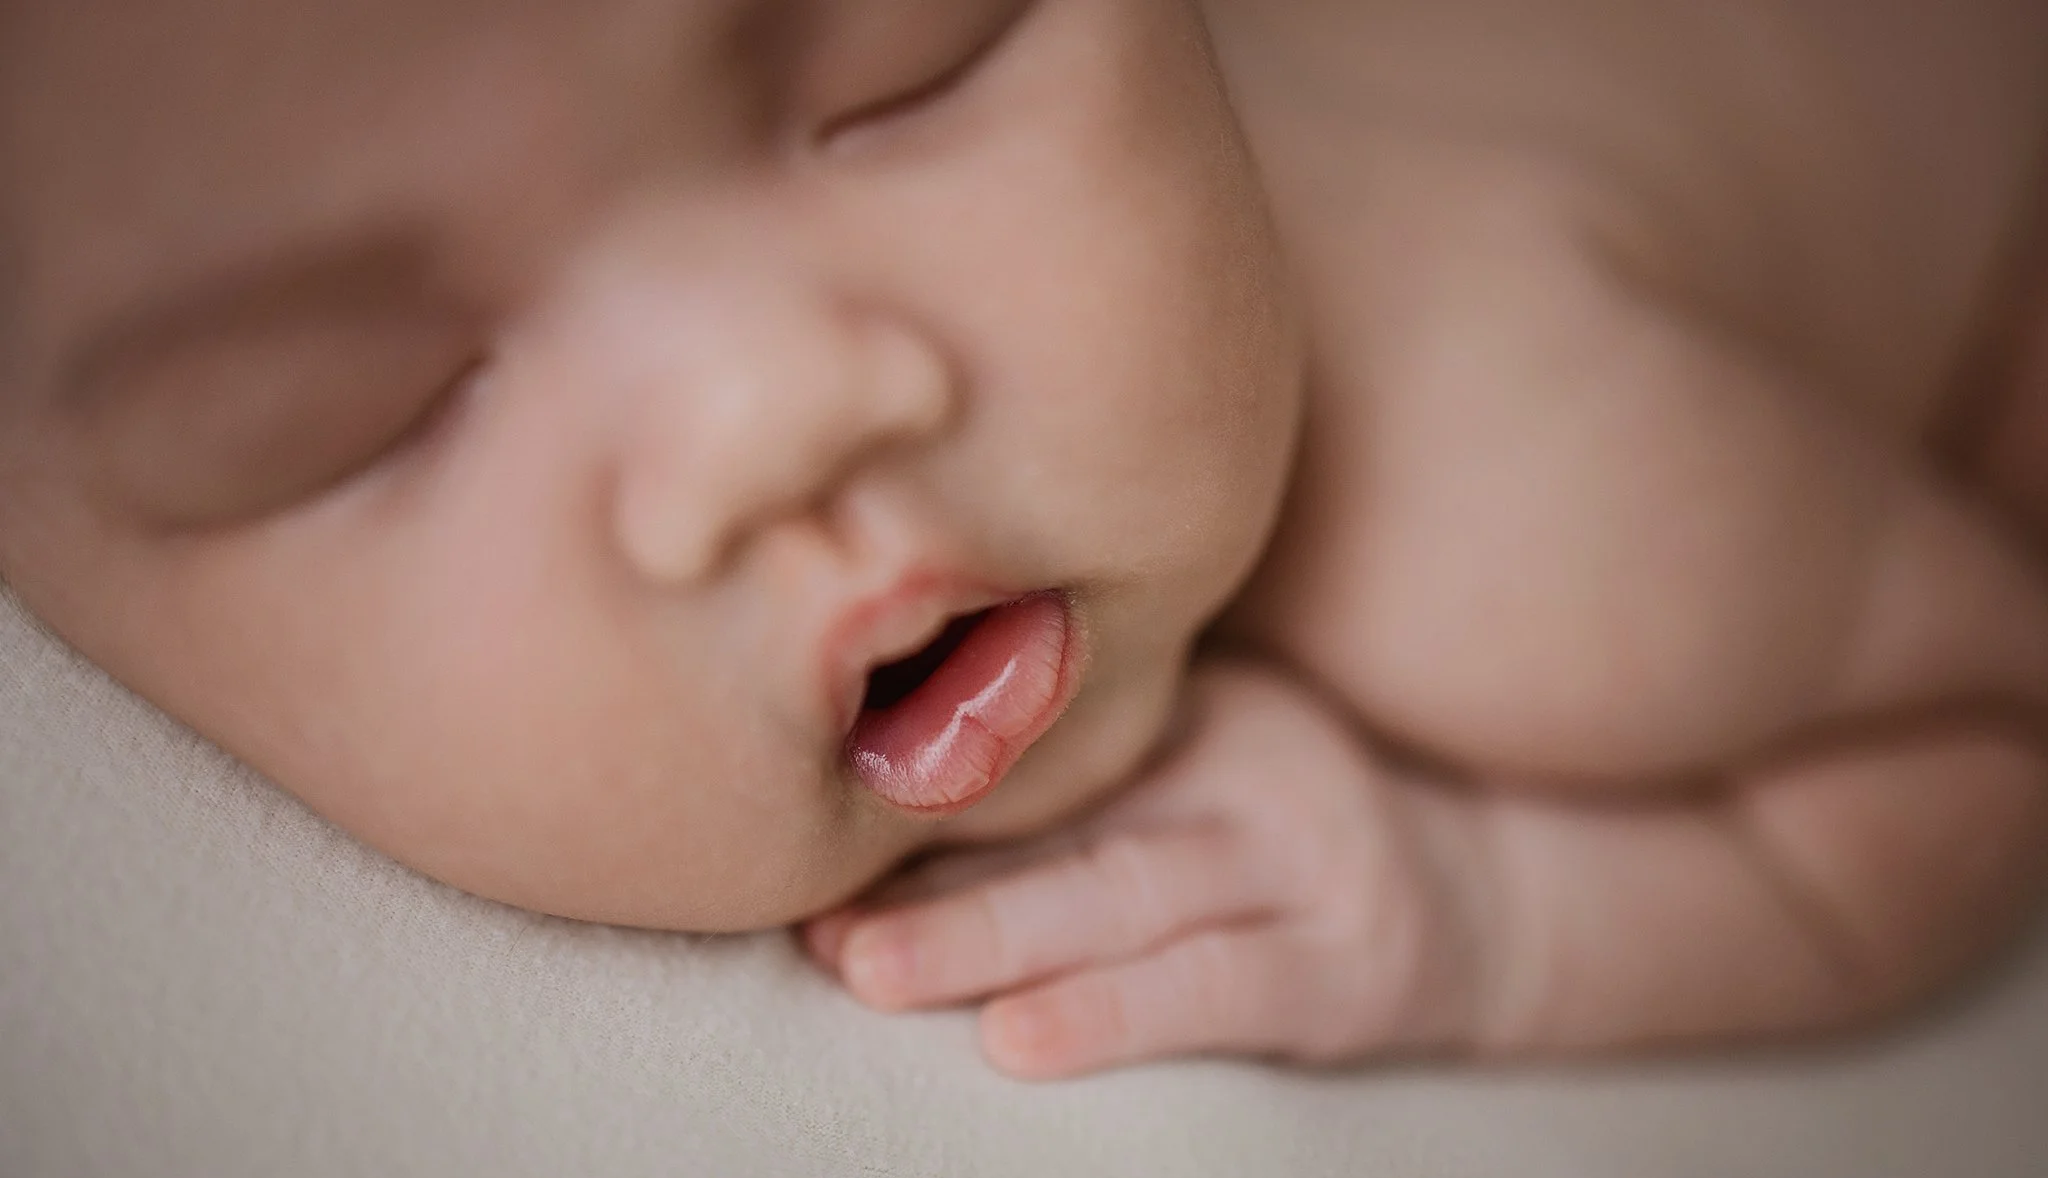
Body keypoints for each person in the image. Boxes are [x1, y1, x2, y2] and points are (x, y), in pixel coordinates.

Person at [3, 0, 2045, 1081]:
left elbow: (1983, 721)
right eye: (346, 420)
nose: (773, 417)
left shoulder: (1545, 518)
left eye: (914, 59)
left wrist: (1489, 911)